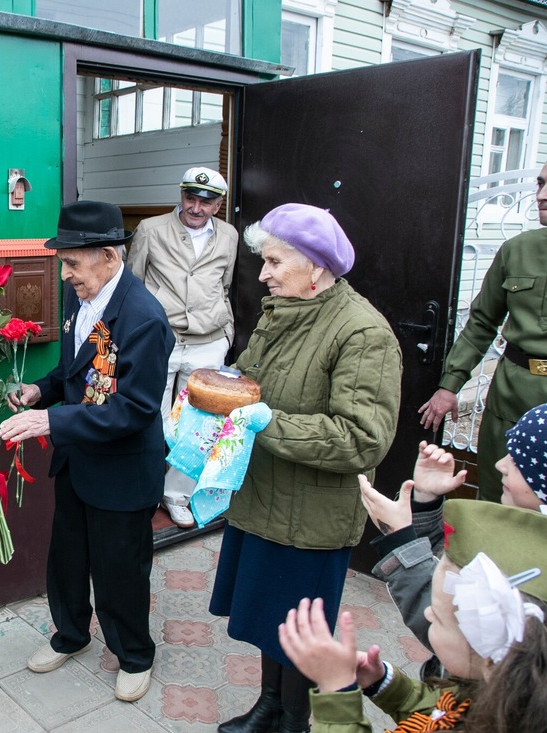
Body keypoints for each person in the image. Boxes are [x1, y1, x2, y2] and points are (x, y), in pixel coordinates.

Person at [209, 203, 403, 733]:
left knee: (300, 627)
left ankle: (294, 721)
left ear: (316, 267)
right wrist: (220, 391)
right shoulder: (285, 309)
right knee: (274, 621)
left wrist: (264, 423)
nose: (263, 273)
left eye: (274, 262)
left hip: (309, 517)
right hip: (263, 498)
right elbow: (253, 383)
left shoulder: (363, 333)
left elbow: (362, 440)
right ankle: (270, 706)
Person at [0, 200, 173, 703]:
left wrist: (48, 420)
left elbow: (133, 411)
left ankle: (135, 655)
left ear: (108, 257)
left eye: (72, 262)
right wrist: (40, 391)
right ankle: (70, 635)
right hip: (79, 460)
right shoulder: (82, 299)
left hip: (122, 470)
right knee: (68, 560)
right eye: (62, 262)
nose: (64, 273)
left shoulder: (143, 320)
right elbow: (74, 371)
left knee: (119, 570)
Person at [278, 499, 547, 733]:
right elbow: (439, 713)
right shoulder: (492, 694)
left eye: (439, 617)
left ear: (491, 658)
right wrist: (383, 683)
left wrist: (337, 693)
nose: (428, 611)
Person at [362, 402, 547, 649]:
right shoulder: (521, 533)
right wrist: (426, 499)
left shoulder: (534, 575)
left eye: (517, 461)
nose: (500, 464)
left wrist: (401, 540)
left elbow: (459, 632)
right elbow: (453, 570)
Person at [418, 161, 547, 503]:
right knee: (498, 491)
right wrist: (450, 385)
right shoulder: (517, 250)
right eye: (539, 184)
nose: (542, 195)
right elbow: (481, 323)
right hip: (514, 392)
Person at [128, 166, 238, 527]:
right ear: (181, 196)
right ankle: (144, 490)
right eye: (191, 198)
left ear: (218, 205)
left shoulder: (229, 235)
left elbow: (224, 284)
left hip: (209, 340)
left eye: (206, 202)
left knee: (200, 424)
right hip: (162, 338)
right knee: (151, 417)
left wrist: (227, 332)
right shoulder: (151, 229)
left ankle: (177, 495)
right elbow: (133, 284)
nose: (196, 208)